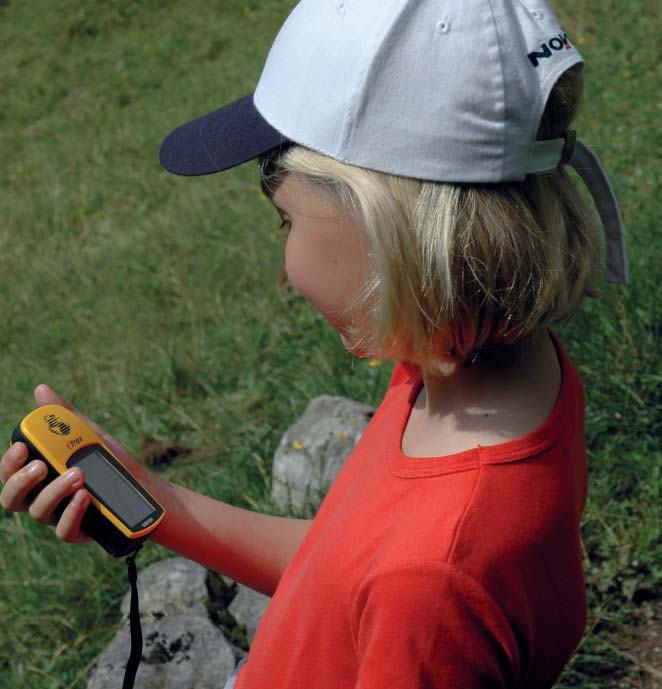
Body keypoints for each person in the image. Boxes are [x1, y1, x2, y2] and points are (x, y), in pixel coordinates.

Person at [0, 1, 628, 687]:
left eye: (284, 221)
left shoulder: (433, 580)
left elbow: (399, 579)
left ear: (388, 226)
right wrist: (153, 499)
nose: (283, 268)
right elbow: (343, 568)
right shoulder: (463, 375)